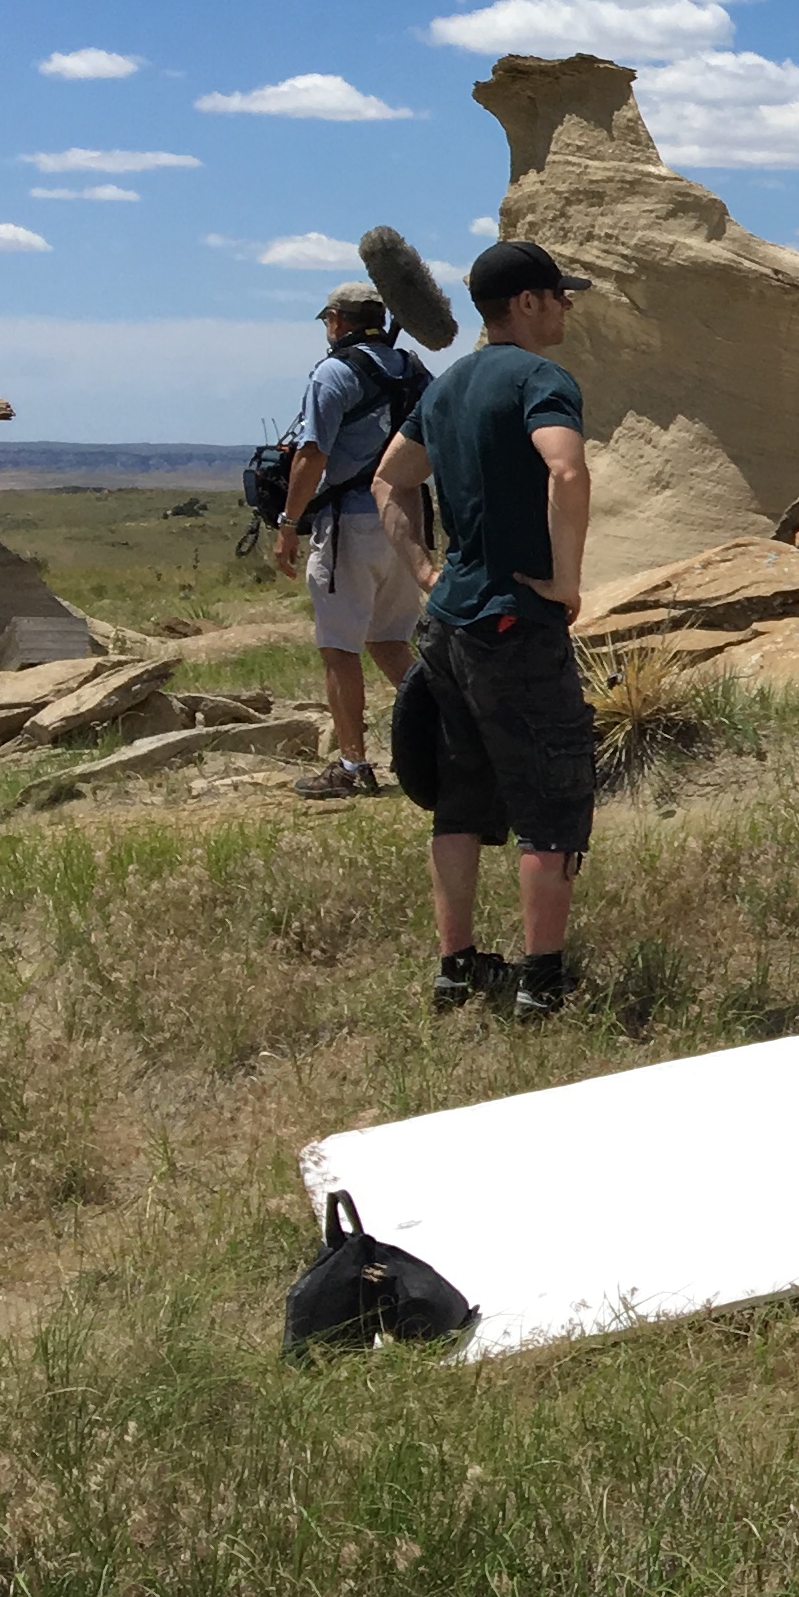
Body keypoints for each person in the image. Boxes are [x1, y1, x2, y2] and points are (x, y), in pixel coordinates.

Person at [374, 239, 597, 1018]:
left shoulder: (448, 388)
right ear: (528, 303)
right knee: (552, 795)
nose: (569, 305)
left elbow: (389, 482)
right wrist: (565, 581)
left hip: (448, 624)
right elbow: (565, 470)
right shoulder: (542, 380)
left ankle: (458, 967)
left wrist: (426, 573)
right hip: (514, 622)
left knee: (462, 798)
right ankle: (543, 980)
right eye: (560, 294)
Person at [270, 283, 433, 799]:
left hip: (349, 525)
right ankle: (447, 738)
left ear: (338, 320)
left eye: (328, 321)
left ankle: (352, 765)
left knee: (339, 649)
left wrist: (288, 522)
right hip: (406, 520)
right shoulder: (413, 369)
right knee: (389, 641)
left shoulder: (333, 373)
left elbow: (312, 453)